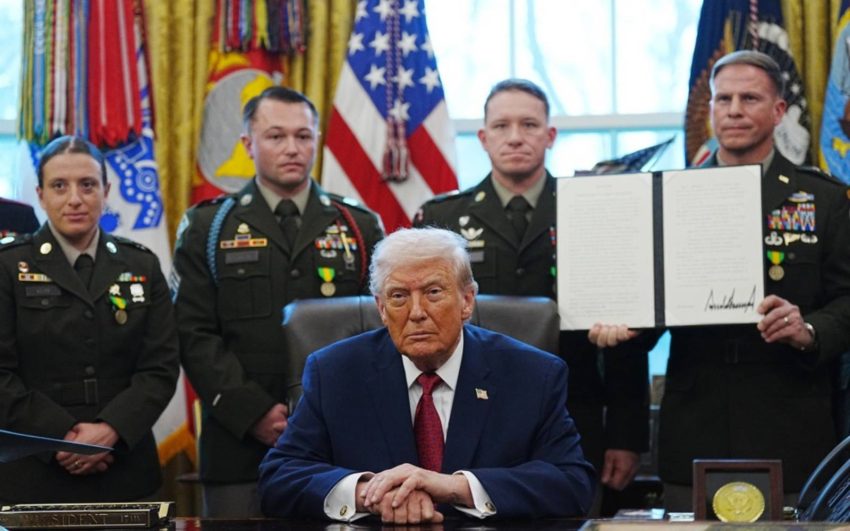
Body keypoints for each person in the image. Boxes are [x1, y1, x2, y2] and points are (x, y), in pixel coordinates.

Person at [589, 50, 850, 510]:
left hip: (790, 424)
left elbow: (846, 299)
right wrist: (623, 327)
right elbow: (649, 305)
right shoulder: (668, 197)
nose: (733, 110)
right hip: (696, 424)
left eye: (750, 98)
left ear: (779, 111)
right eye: (722, 99)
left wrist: (808, 329)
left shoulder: (822, 199)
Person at [413, 79, 649, 510]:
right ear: (483, 137)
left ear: (550, 135)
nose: (515, 137)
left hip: (573, 411)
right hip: (467, 410)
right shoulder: (443, 217)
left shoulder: (594, 209)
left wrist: (626, 434)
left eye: (529, 124)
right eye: (501, 126)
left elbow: (622, 338)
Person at [258, 227, 595, 523]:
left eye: (433, 292)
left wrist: (454, 487)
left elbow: (572, 482)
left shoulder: (531, 375)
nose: (416, 312)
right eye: (399, 296)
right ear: (381, 308)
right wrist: (370, 494)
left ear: (467, 301)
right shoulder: (335, 372)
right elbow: (279, 477)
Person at [172, 86, 384, 517]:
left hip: (340, 440)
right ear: (248, 144)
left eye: (303, 136)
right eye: (275, 136)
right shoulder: (208, 226)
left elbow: (378, 330)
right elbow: (193, 333)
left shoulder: (358, 225)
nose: (292, 148)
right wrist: (253, 413)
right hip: (238, 442)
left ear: (316, 140)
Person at [0, 135, 179, 503]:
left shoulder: (142, 264)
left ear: (106, 190)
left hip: (125, 468)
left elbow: (160, 368)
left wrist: (110, 430)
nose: (75, 199)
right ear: (40, 194)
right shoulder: (7, 266)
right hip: (35, 471)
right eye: (59, 186)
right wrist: (63, 437)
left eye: (87, 184)